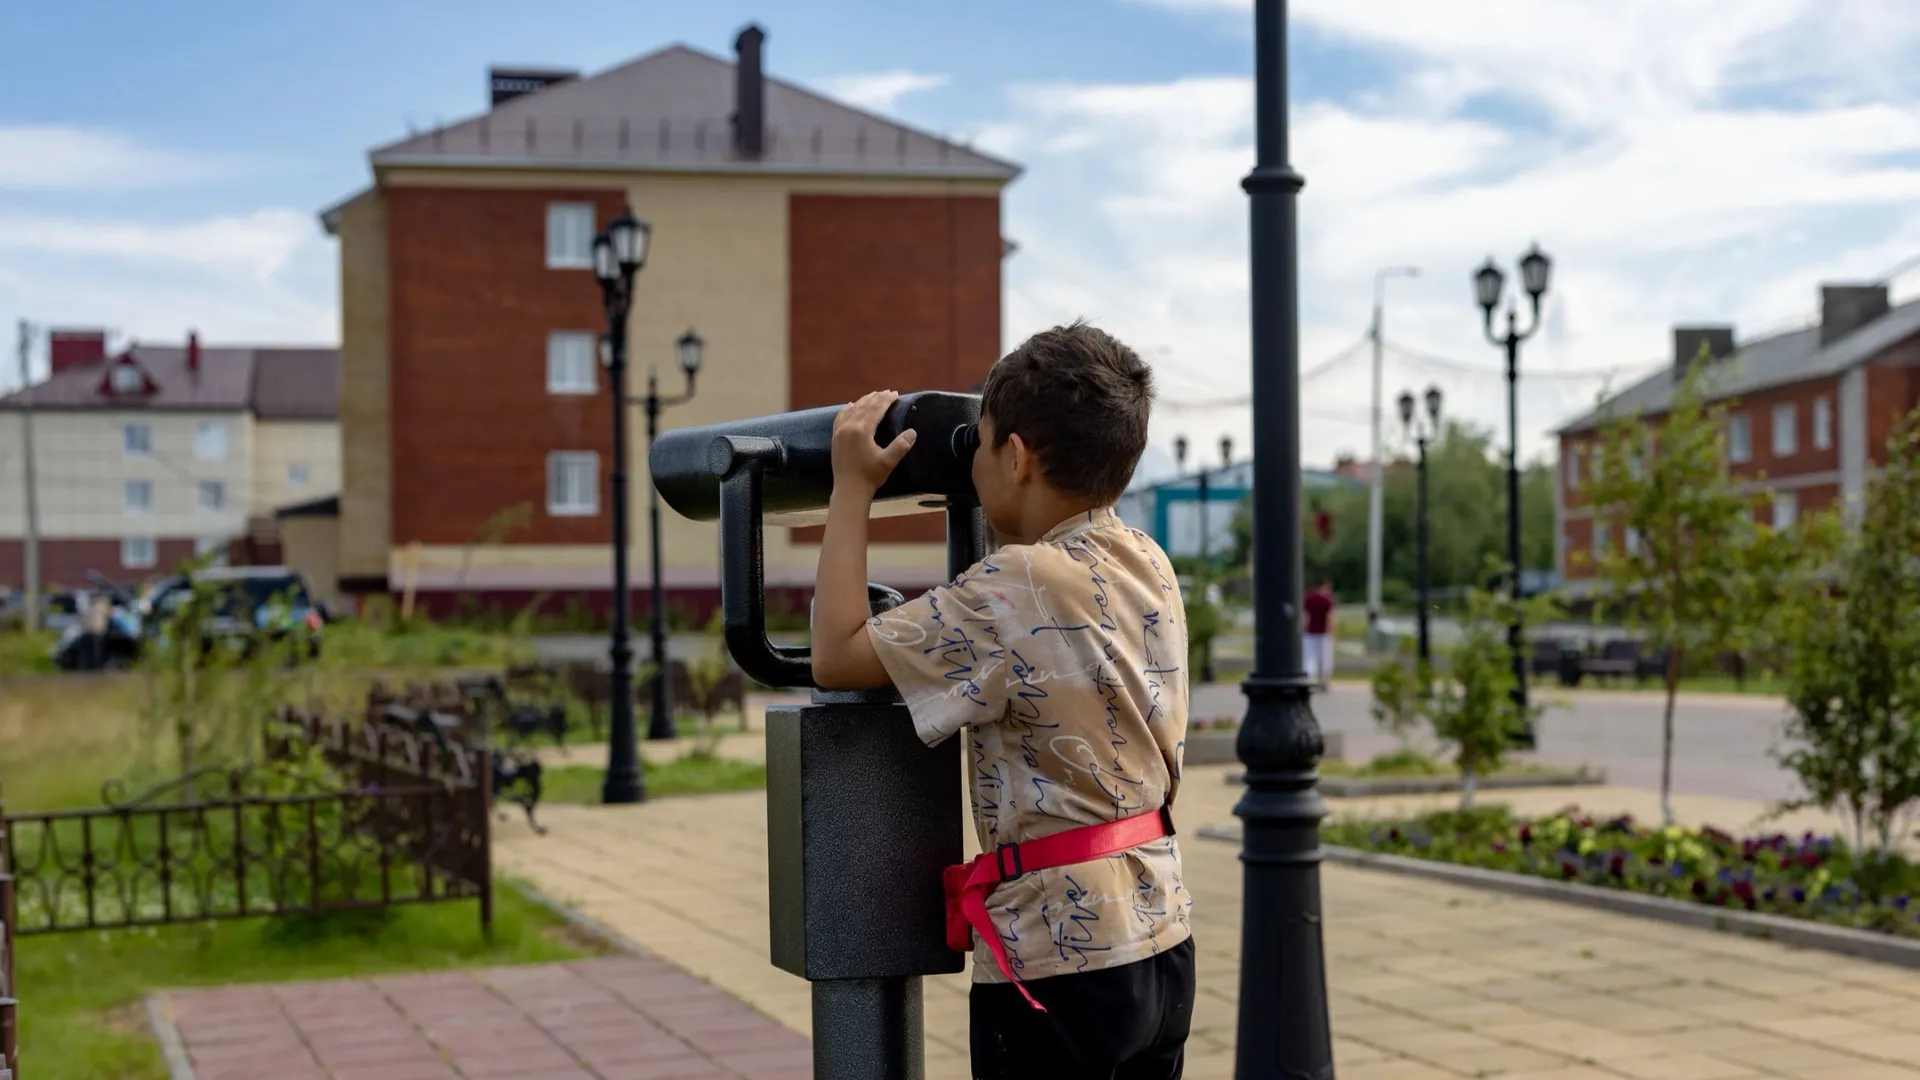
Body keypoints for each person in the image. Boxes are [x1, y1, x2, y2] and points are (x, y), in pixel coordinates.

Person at [810, 321, 1195, 1078]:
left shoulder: (1014, 587)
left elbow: (837, 655)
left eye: (980, 443)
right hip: (1160, 933)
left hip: (1059, 958)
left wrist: (850, 487)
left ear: (1015, 457)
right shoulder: (1148, 560)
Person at [1303, 579, 1337, 691]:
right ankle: (1323, 681)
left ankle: (1309, 678)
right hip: (1323, 633)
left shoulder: (1308, 598)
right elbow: (1330, 617)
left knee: (1309, 658)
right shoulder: (1327, 600)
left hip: (1309, 632)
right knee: (1325, 659)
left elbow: (1304, 615)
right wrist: (1332, 632)